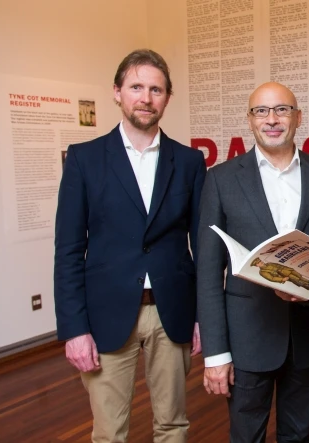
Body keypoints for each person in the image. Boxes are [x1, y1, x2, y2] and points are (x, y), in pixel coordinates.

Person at [54, 49, 206, 442]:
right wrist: (74, 329)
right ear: (117, 93)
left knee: (173, 425)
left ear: (167, 98)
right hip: (105, 317)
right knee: (109, 432)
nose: (146, 97)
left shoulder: (189, 162)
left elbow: (203, 246)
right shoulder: (84, 160)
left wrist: (202, 316)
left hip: (170, 313)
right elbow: (68, 250)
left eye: (156, 89)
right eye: (136, 87)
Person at [196, 82, 309, 443]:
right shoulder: (220, 179)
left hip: (307, 333)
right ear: (250, 120)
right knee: (246, 437)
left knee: (298, 434)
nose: (272, 119)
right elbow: (208, 273)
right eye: (261, 111)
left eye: (282, 110)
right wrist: (216, 353)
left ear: (298, 117)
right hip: (248, 336)